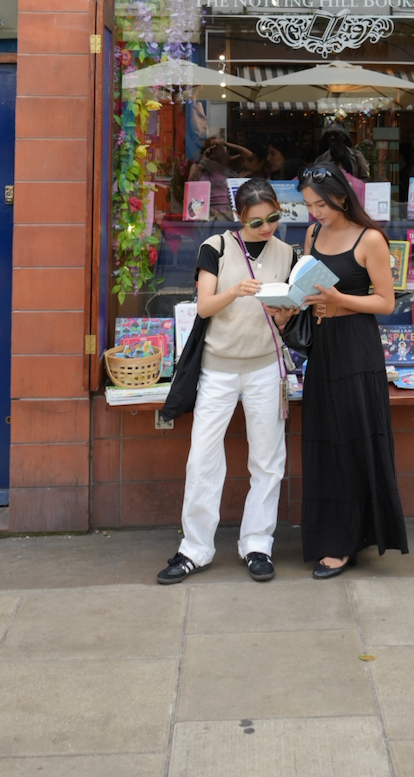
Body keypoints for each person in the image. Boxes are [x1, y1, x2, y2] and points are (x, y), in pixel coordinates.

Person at [157, 178, 295, 586]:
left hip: (265, 366)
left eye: (273, 218)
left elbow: (284, 315)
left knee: (268, 460)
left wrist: (285, 314)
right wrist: (235, 291)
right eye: (257, 222)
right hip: (218, 367)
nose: (267, 227)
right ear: (239, 218)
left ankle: (258, 544)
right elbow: (204, 306)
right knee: (202, 458)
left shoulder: (286, 253)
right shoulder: (215, 248)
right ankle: (194, 549)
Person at [297, 162, 408, 579]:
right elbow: (310, 286)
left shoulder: (370, 239)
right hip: (322, 349)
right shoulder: (311, 235)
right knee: (325, 441)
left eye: (319, 205)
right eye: (308, 206)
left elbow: (385, 302)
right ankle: (332, 534)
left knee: (353, 439)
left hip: (357, 350)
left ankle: (347, 541)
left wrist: (339, 299)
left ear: (341, 197)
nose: (314, 214)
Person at [187, 136, 256, 217]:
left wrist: (226, 144)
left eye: (217, 148)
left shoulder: (226, 164)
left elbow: (249, 155)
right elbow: (190, 184)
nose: (214, 150)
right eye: (211, 148)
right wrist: (204, 161)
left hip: (225, 210)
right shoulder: (198, 165)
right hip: (203, 209)